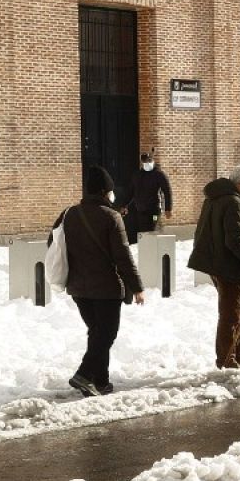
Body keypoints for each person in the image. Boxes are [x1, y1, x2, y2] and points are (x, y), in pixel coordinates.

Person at [51, 166, 145, 397]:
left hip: (78, 288)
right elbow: (123, 256)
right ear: (106, 192)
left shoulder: (69, 213)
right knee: (106, 334)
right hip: (106, 288)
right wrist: (137, 288)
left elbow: (53, 245)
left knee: (97, 333)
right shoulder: (111, 217)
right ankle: (84, 374)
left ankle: (100, 381)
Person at [188, 165, 240, 369]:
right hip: (227, 263)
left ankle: (239, 354)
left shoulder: (217, 196)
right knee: (231, 313)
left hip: (217, 260)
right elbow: (236, 238)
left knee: (238, 310)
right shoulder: (233, 201)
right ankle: (227, 358)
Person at [121, 153, 173, 244]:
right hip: (141, 210)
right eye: (144, 162)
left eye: (148, 161)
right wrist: (124, 205)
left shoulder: (159, 174)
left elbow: (167, 191)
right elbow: (130, 192)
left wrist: (168, 208)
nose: (146, 163)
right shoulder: (137, 175)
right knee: (144, 232)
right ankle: (146, 251)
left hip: (155, 210)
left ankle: (155, 248)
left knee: (153, 228)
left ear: (152, 161)